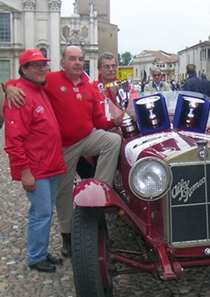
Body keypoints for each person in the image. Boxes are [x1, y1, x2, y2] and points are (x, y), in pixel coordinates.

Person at [5, 45, 124, 258]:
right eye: (72, 58)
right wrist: (9, 87)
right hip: (63, 146)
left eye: (80, 59)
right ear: (63, 63)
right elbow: (24, 83)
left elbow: (98, 120)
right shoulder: (50, 80)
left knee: (112, 140)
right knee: (62, 194)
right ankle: (68, 236)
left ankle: (100, 187)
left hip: (87, 138)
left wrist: (114, 121)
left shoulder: (90, 87)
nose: (77, 62)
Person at [4, 50, 67, 272]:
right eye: (35, 65)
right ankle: (36, 256)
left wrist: (7, 85)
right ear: (24, 69)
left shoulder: (38, 89)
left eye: (43, 65)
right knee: (41, 212)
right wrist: (25, 172)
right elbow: (14, 140)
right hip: (36, 168)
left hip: (49, 165)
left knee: (45, 211)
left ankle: (40, 250)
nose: (42, 69)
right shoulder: (20, 96)